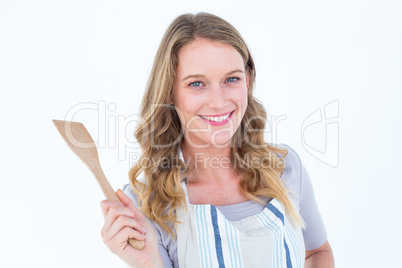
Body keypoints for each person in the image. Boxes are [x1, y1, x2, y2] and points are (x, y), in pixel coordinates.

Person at [100, 12, 334, 268]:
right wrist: (147, 262)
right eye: (197, 83)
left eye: (231, 79)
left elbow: (316, 252)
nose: (219, 102)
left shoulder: (284, 166)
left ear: (248, 81)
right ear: (169, 92)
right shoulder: (147, 205)